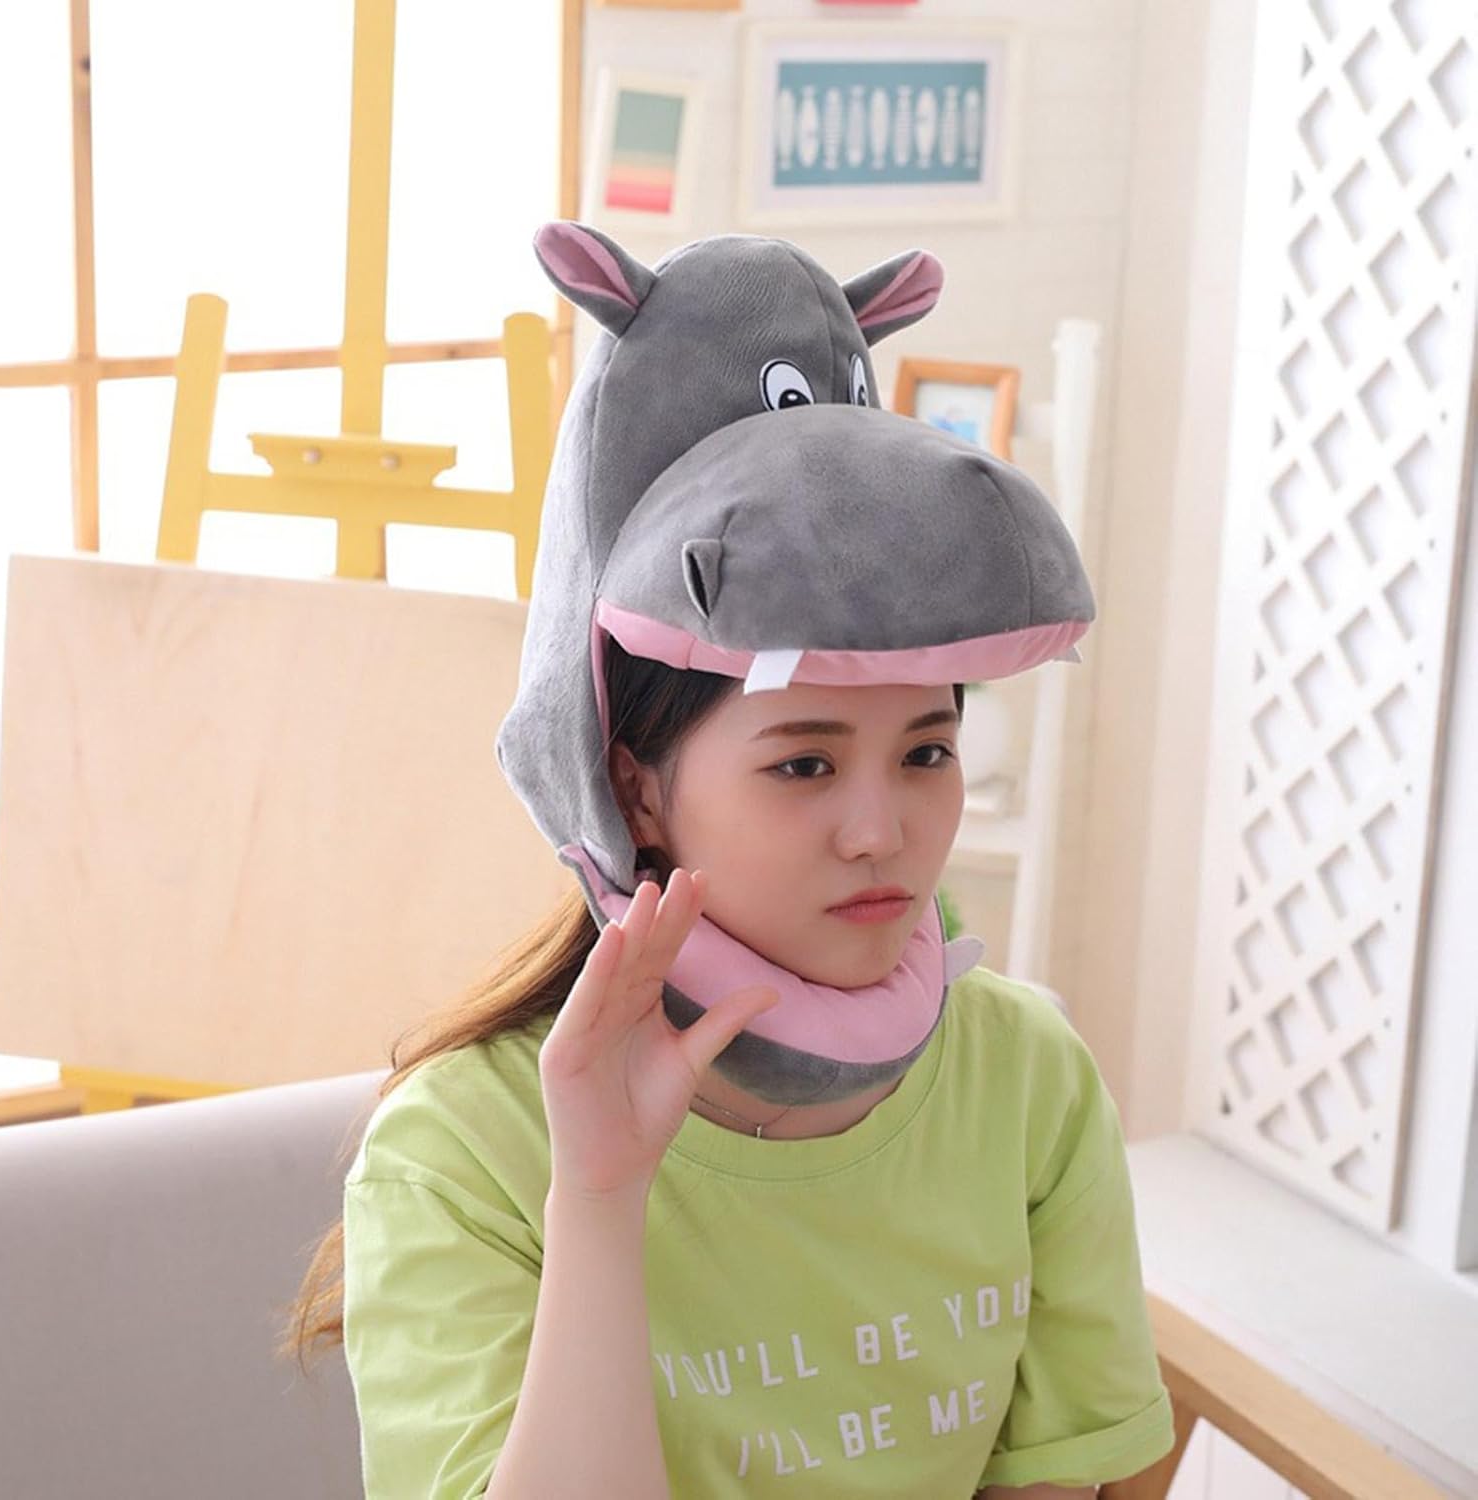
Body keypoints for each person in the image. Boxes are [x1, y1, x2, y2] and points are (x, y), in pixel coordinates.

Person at [278, 222, 1177, 1498]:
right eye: (803, 765)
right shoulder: (464, 1150)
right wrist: (600, 1195)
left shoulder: (1028, 1078)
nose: (881, 831)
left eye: (926, 752)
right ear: (634, 786)